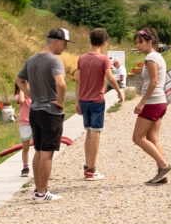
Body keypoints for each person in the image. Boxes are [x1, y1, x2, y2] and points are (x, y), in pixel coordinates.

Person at [17, 28, 72, 202]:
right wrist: (61, 102)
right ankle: (42, 193)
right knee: (47, 153)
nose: (65, 48)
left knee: (38, 150)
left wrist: (31, 94)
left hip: (35, 111)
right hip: (50, 112)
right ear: (56, 41)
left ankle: (38, 189)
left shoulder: (32, 59)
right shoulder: (54, 60)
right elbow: (61, 84)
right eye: (64, 44)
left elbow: (19, 80)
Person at [132, 27, 171, 185]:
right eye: (136, 43)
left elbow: (154, 82)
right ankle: (162, 173)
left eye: (141, 42)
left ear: (150, 42)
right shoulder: (158, 56)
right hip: (160, 102)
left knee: (138, 137)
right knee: (153, 138)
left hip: (152, 102)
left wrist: (142, 102)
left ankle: (164, 166)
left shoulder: (150, 58)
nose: (138, 46)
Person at [75, 28, 113, 181]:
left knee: (89, 132)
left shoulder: (81, 58)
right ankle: (91, 169)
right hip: (97, 100)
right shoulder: (104, 59)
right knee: (96, 133)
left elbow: (77, 80)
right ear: (104, 43)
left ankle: (87, 165)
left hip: (83, 100)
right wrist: (118, 90)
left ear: (90, 41)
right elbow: (110, 77)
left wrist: (77, 101)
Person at [14, 80, 33, 177]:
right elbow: (21, 100)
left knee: (39, 147)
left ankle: (40, 165)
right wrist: (21, 88)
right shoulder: (19, 95)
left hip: (35, 122)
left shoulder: (34, 92)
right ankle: (25, 166)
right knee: (25, 147)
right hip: (24, 123)